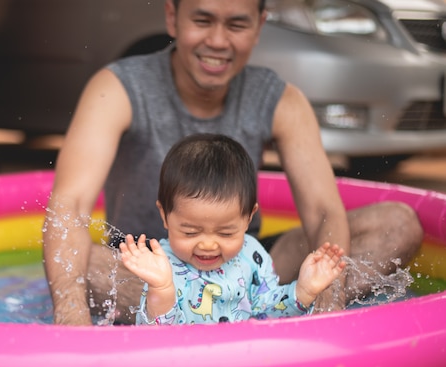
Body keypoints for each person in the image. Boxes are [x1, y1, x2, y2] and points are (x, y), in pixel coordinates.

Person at [42, 0, 423, 326]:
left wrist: (328, 304)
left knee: (397, 225)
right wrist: (72, 319)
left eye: (237, 24)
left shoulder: (279, 99)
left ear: (259, 26)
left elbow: (324, 209)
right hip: (144, 267)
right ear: (173, 17)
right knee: (81, 263)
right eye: (203, 20)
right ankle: (205, 313)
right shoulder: (119, 88)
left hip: (247, 265)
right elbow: (69, 206)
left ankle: (275, 304)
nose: (218, 41)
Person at [119, 134, 346, 325]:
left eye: (226, 233)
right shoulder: (162, 265)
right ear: (164, 216)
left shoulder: (252, 255)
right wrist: (161, 289)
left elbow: (268, 312)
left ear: (248, 218)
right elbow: (156, 338)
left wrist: (303, 292)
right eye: (190, 232)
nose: (207, 244)